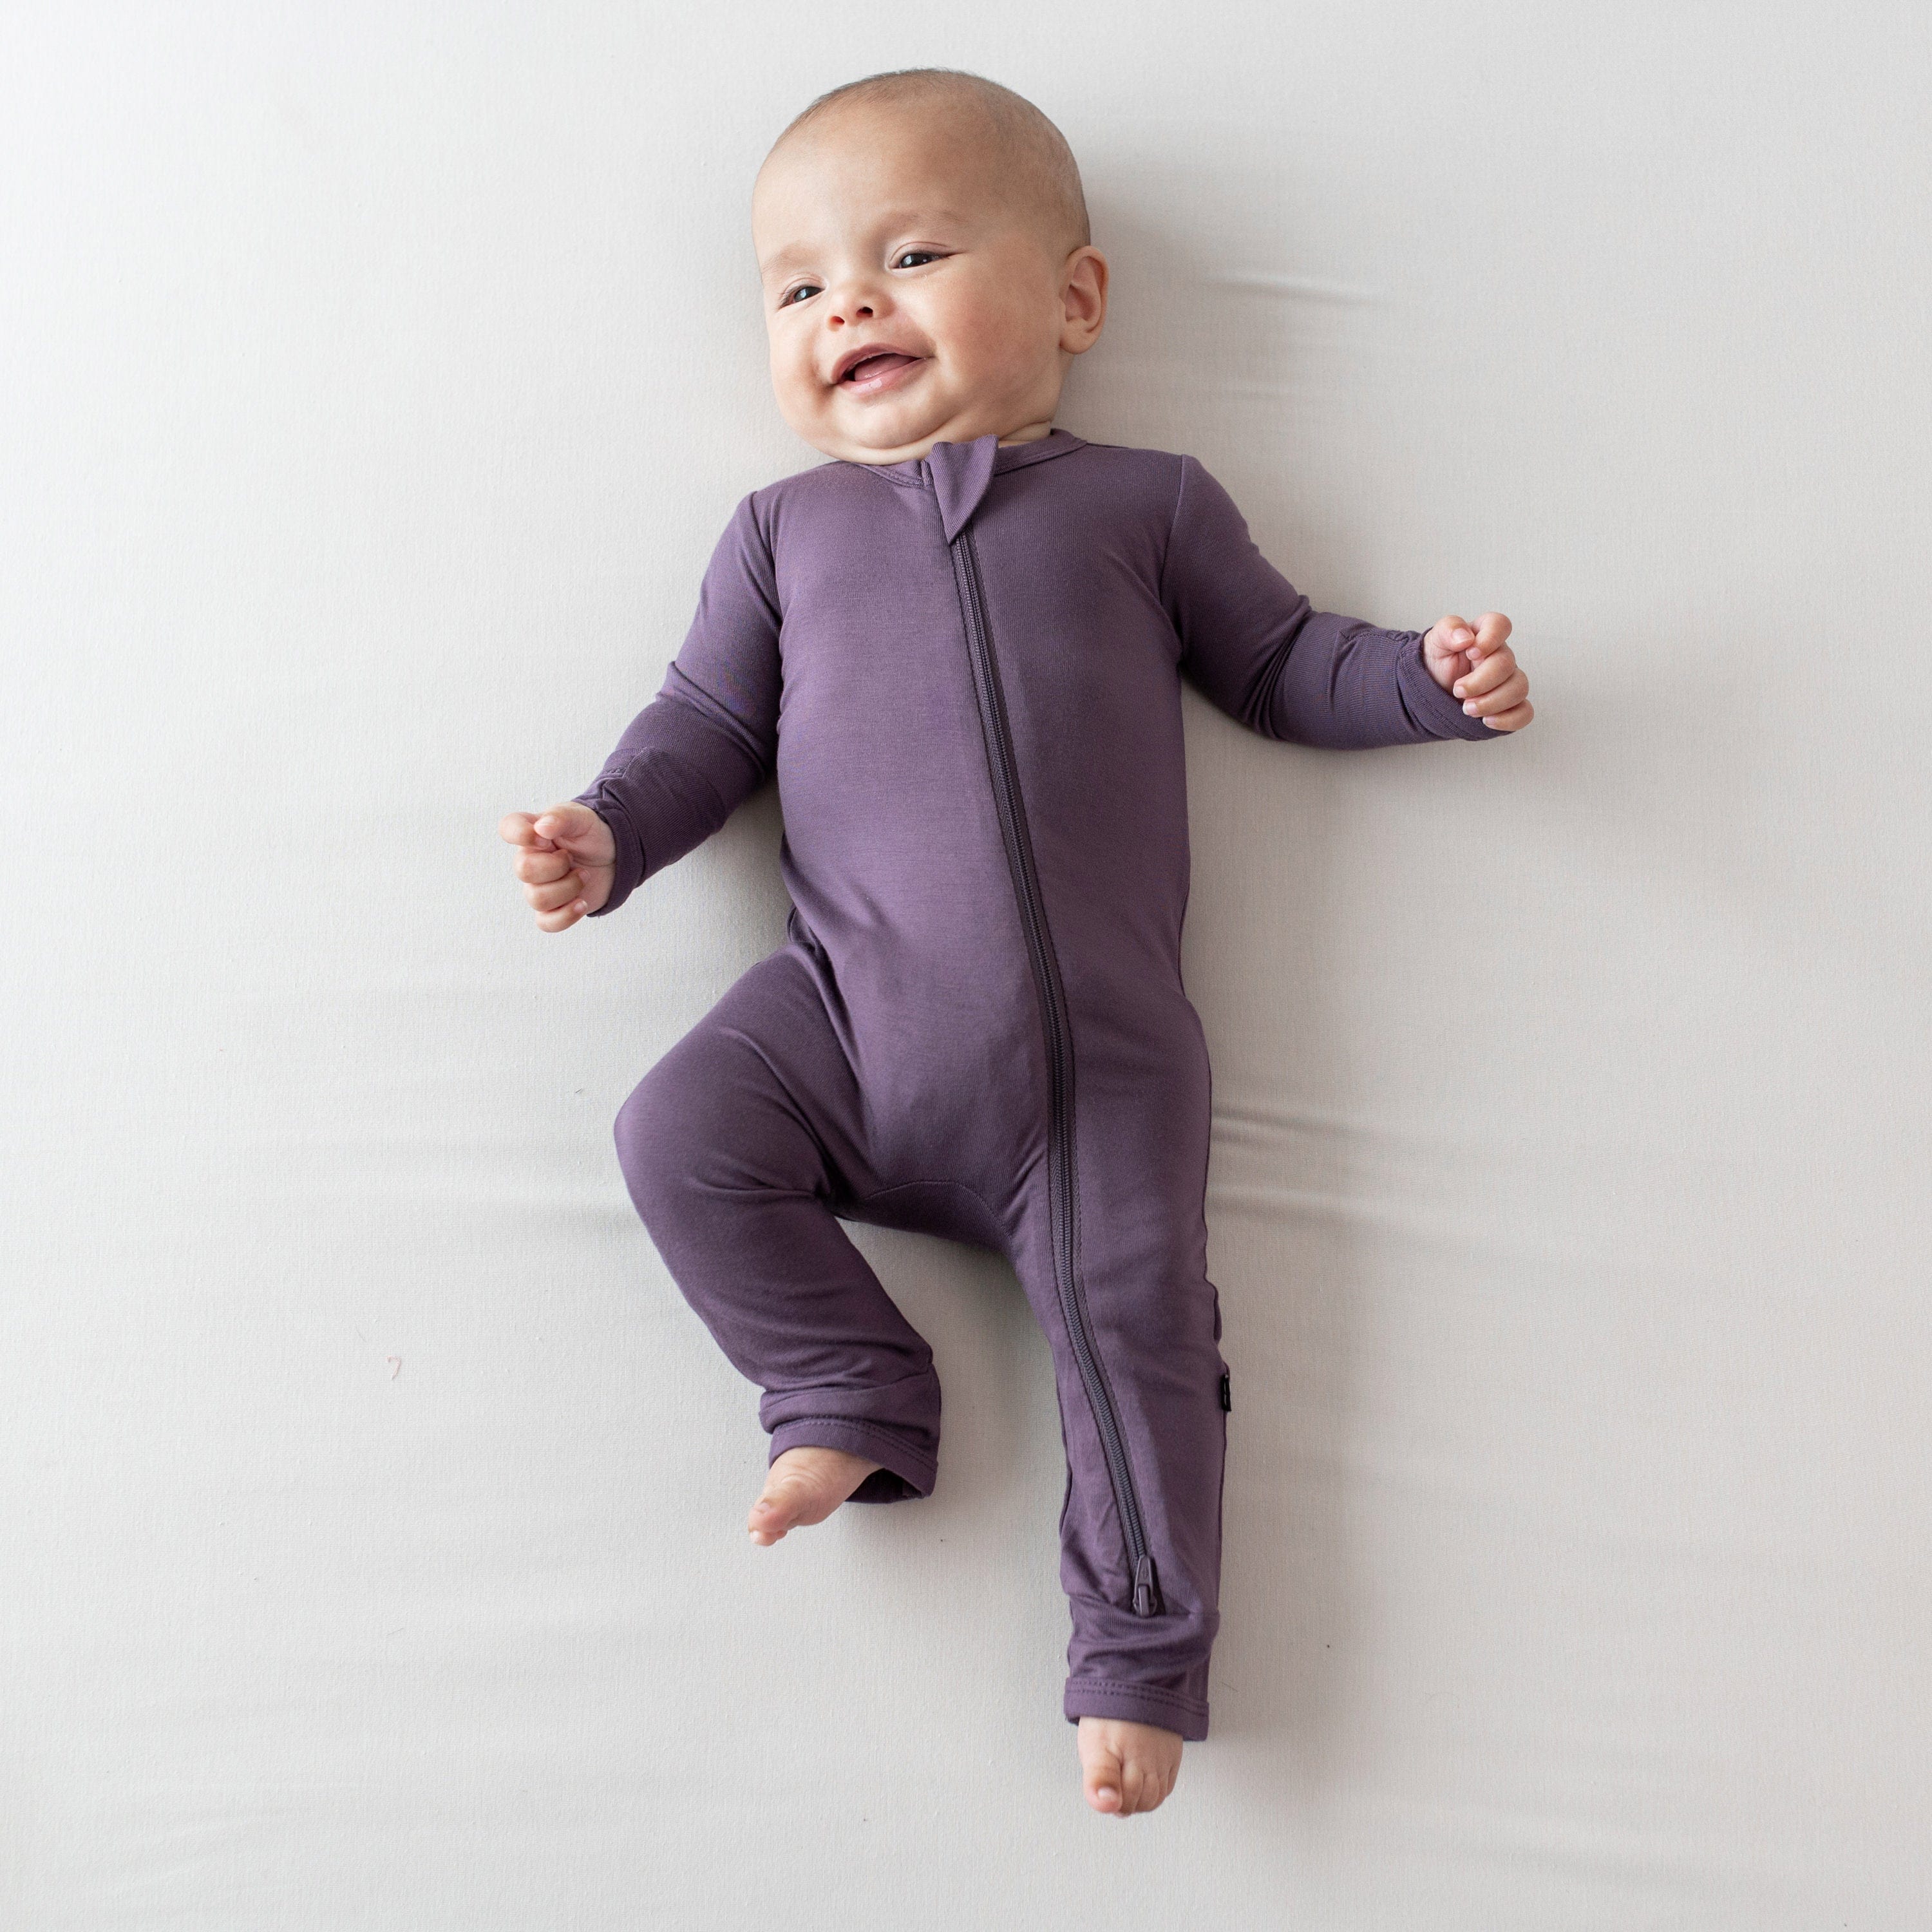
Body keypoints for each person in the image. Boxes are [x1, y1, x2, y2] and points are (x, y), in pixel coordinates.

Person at [499, 66, 1533, 1819]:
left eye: (909, 254)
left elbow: (1286, 665)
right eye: (801, 285)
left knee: (1138, 1340)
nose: (851, 306)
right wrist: (611, 837)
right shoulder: (779, 537)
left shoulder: (1148, 506)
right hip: (844, 1027)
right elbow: (699, 729)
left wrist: (1428, 686)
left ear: (1073, 298)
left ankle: (1134, 1657)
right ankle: (844, 1380)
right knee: (673, 1131)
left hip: (1097, 1077)